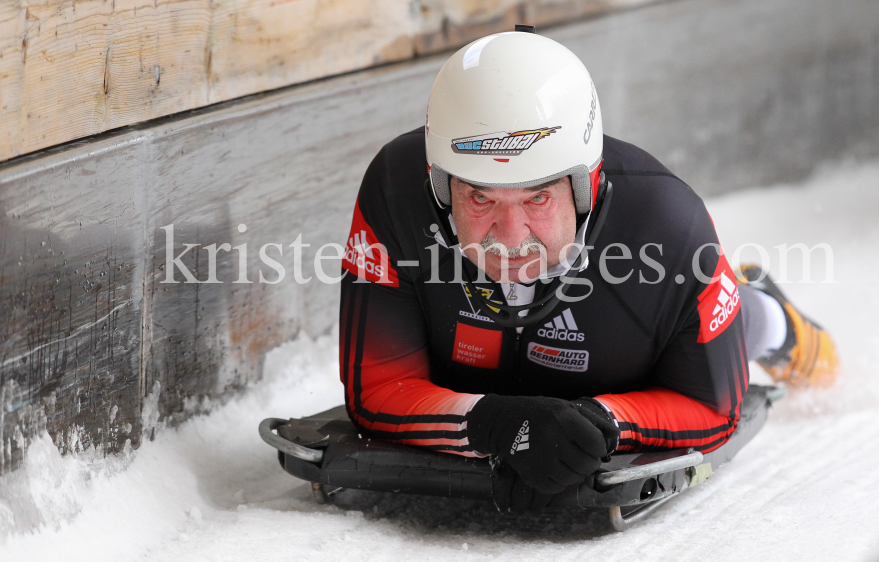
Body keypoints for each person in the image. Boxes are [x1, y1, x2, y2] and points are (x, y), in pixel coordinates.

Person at [338, 26, 839, 512]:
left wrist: (599, 424)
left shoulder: (668, 226)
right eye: (479, 196)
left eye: (537, 197)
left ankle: (766, 315)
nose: (511, 238)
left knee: (737, 319)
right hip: (472, 368)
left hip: (642, 366)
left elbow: (713, 407)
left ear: (586, 187)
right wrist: (490, 423)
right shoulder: (394, 190)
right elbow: (377, 387)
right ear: (438, 187)